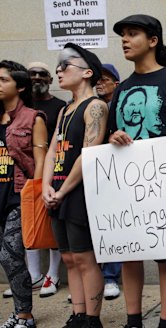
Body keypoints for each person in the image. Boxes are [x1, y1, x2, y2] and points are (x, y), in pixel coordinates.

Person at [108, 15, 166, 328]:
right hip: (126, 185)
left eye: (132, 34)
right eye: (122, 35)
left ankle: (165, 322)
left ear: (152, 41)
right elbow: (111, 135)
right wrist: (114, 137)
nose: (124, 39)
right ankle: (133, 320)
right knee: (129, 252)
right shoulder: (122, 88)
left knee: (165, 254)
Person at [42, 43, 108, 328]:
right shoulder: (65, 110)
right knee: (68, 258)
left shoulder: (95, 107)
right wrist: (46, 186)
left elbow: (88, 153)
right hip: (57, 191)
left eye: (65, 65)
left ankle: (92, 319)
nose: (58, 70)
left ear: (86, 72)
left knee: (84, 257)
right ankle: (78, 314)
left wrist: (62, 190)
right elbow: (53, 151)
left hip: (79, 193)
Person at [1, 61, 65, 301]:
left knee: (24, 244)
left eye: (43, 74)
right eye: (33, 74)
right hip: (7, 185)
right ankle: (31, 279)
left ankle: (47, 280)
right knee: (15, 246)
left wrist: (38, 189)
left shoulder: (43, 113)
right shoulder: (9, 113)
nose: (38, 78)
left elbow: (43, 155)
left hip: (32, 184)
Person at [0, 60, 47, 328]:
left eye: (3, 79)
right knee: (4, 256)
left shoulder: (33, 118)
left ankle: (25, 315)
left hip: (18, 195)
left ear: (19, 86)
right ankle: (18, 311)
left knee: (10, 254)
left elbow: (40, 161)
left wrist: (37, 196)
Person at [95, 63, 122, 301]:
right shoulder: (91, 106)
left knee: (114, 227)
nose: (100, 82)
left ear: (117, 82)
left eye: (105, 78)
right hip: (94, 174)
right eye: (97, 79)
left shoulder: (120, 105)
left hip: (118, 174)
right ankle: (93, 281)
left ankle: (110, 278)